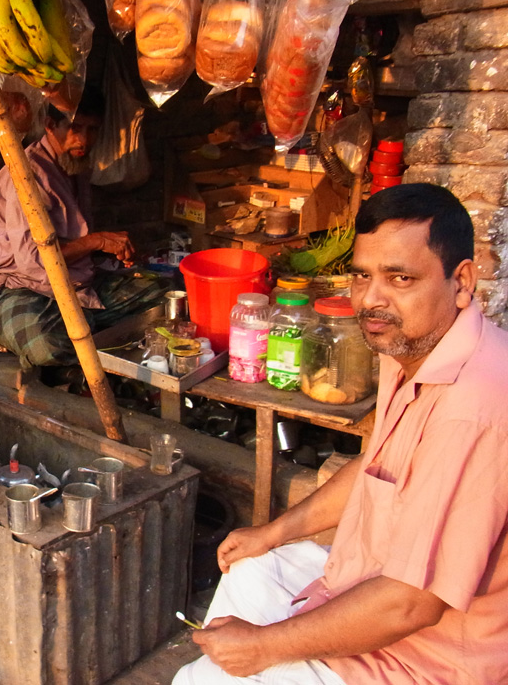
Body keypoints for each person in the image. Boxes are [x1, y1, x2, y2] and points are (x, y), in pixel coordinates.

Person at [174, 182, 508, 684]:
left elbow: (410, 606)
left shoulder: (473, 407)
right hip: (369, 579)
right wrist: (271, 533)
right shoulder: (412, 348)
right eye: (362, 277)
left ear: (461, 282)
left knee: (200, 680)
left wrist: (263, 648)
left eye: (400, 278)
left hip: (423, 656)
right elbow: (375, 467)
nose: (373, 300)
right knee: (250, 566)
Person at [0, 87, 166, 369]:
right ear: (50, 126)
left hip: (74, 285)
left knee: (165, 294)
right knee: (47, 346)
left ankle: (85, 328)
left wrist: (108, 251)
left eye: (92, 130)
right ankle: (80, 351)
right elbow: (33, 261)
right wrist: (97, 242)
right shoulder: (26, 175)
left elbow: (74, 242)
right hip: (17, 287)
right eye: (75, 128)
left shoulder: (74, 166)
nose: (83, 139)